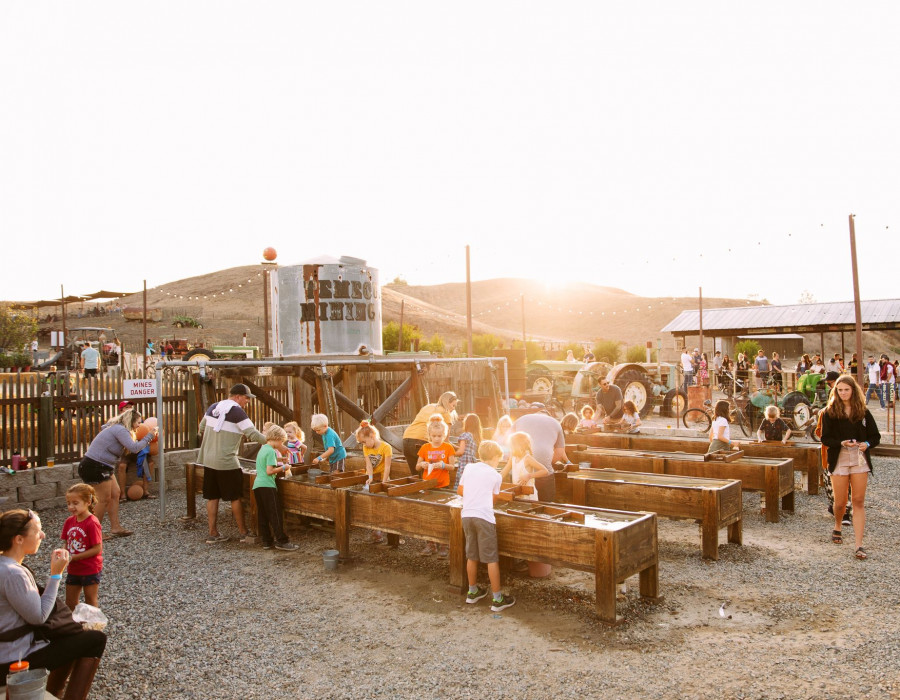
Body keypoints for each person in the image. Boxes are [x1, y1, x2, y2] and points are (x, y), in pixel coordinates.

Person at [0, 509, 107, 694]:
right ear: (18, 539)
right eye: (37, 531)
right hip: (11, 660)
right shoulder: (13, 573)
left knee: (70, 635)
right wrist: (56, 574)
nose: (42, 535)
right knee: (95, 639)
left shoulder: (5, 565)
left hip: (8, 650)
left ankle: (52, 693)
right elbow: (39, 617)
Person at [197, 383, 266, 544]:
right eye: (246, 398)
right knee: (235, 497)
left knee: (212, 497)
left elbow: (201, 428)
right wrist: (272, 442)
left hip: (208, 459)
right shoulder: (237, 412)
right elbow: (252, 434)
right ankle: (243, 532)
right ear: (238, 397)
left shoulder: (213, 407)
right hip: (227, 461)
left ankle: (212, 533)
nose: (247, 402)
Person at [820, 376, 880, 560]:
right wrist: (841, 442)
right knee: (840, 503)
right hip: (839, 457)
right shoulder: (829, 412)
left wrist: (867, 444)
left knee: (858, 501)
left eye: (846, 389)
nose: (843, 393)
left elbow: (875, 436)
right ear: (835, 392)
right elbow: (825, 439)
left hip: (859, 458)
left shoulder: (862, 411)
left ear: (853, 390)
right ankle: (838, 525)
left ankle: (859, 545)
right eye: (840, 390)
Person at [457, 441, 515, 612]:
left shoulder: (469, 467)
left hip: (467, 515)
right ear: (496, 457)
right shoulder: (495, 475)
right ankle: (497, 599)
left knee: (472, 555)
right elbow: (493, 499)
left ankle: (472, 591)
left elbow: (460, 490)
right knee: (491, 558)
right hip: (484, 517)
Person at [79, 408, 154, 538]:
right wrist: (150, 436)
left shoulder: (116, 428)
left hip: (103, 466)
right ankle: (94, 533)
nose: (139, 425)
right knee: (103, 499)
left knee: (115, 493)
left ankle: (115, 527)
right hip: (95, 466)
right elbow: (134, 448)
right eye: (138, 422)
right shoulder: (120, 430)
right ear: (131, 421)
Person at [252, 425, 299, 552]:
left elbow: (265, 461)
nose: (281, 444)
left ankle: (267, 541)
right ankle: (282, 541)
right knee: (275, 514)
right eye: (281, 442)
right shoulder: (271, 451)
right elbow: (270, 471)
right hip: (268, 486)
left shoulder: (263, 449)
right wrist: (284, 467)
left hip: (257, 486)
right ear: (277, 439)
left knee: (263, 514)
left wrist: (280, 459)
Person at [416, 416, 456, 557]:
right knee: (428, 514)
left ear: (444, 435)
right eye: (434, 436)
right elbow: (417, 466)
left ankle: (444, 544)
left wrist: (443, 465)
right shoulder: (425, 447)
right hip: (428, 486)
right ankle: (430, 544)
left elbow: (453, 466)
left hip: (442, 486)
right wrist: (422, 464)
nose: (437, 439)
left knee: (443, 515)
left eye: (439, 436)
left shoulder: (448, 447)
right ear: (429, 435)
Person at [61, 484, 103, 611]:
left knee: (90, 600)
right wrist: (63, 553)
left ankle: (93, 625)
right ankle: (75, 625)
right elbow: (66, 542)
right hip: (74, 568)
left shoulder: (92, 522)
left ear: (88, 502)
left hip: (90, 568)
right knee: (70, 601)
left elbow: (97, 549)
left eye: (75, 503)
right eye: (69, 503)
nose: (71, 507)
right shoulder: (69, 521)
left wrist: (74, 557)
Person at [513, 410, 566, 501]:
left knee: (522, 503)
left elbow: (510, 443)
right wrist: (548, 462)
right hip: (543, 470)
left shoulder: (520, 420)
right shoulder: (556, 423)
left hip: (522, 471)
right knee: (546, 504)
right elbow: (559, 452)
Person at [402, 391, 459, 476]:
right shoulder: (445, 412)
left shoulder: (428, 407)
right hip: (421, 441)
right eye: (453, 405)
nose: (454, 408)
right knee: (427, 475)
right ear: (447, 403)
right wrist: (459, 449)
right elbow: (445, 441)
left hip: (406, 440)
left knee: (415, 476)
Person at [356, 421, 392, 545]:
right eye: (362, 443)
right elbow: (368, 464)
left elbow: (387, 467)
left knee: (384, 504)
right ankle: (376, 531)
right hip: (373, 478)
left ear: (372, 436)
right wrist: (370, 476)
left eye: (364, 441)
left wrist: (384, 481)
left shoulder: (386, 447)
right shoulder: (366, 447)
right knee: (372, 503)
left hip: (383, 477)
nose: (364, 445)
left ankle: (389, 533)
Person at [500, 432, 549, 502]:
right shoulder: (513, 457)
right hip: (518, 493)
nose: (510, 448)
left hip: (529, 494)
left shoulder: (527, 458)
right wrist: (495, 479)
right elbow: (504, 471)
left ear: (520, 446)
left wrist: (529, 476)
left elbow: (545, 471)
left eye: (511, 446)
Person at [453, 413, 482, 489]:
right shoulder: (475, 437)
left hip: (464, 464)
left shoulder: (465, 435)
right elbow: (466, 449)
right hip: (471, 463)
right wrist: (453, 446)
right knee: (469, 484)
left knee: (461, 484)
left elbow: (461, 452)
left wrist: (451, 454)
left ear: (466, 423)